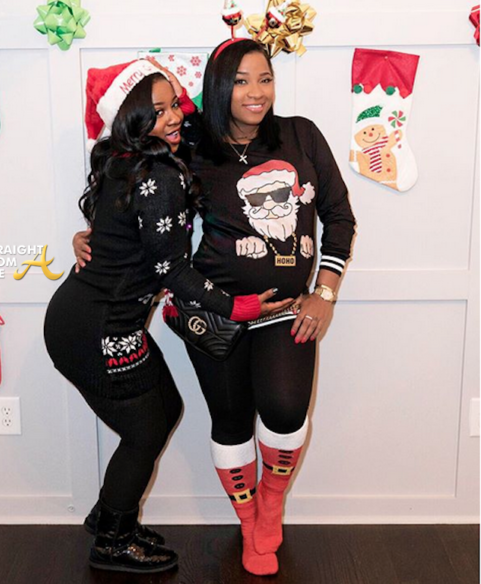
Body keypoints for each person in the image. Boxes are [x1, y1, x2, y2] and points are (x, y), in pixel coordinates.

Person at [74, 39, 356, 576]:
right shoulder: (189, 141)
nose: (256, 92)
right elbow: (132, 180)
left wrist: (324, 292)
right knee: (230, 419)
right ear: (219, 86)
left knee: (285, 410)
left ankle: (270, 500)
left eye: (265, 78)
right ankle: (249, 523)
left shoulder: (301, 135)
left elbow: (339, 216)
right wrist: (93, 234)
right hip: (212, 311)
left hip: (284, 307)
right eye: (242, 80)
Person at [44, 57, 292, 575]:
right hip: (97, 328)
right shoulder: (155, 173)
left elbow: (120, 238)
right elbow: (171, 269)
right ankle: (113, 540)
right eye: (157, 111)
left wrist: (86, 237)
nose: (174, 116)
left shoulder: (129, 160)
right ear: (132, 118)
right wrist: (238, 307)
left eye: (174, 104)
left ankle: (110, 515)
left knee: (166, 406)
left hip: (96, 318)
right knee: (144, 432)